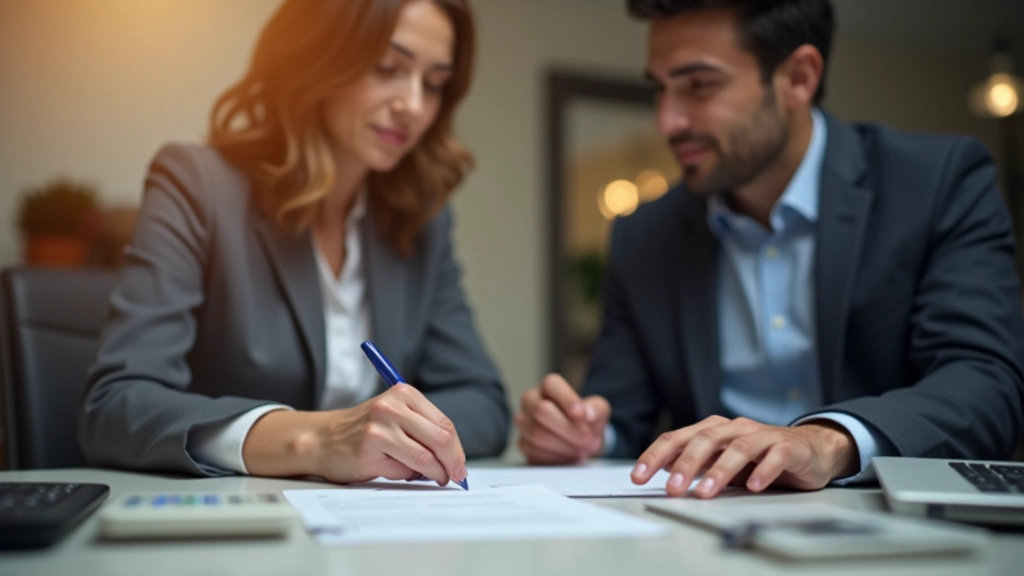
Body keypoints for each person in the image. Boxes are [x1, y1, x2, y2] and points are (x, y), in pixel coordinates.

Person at [516, 0, 1024, 498]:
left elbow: (987, 384)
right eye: (660, 89)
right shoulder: (644, 234)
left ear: (799, 78)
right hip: (712, 530)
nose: (668, 121)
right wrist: (582, 433)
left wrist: (827, 441)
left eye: (699, 85)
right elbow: (621, 412)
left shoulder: (935, 182)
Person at [79, 0, 509, 487]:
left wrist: (393, 435)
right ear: (318, 58)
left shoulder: (421, 221)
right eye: (388, 67)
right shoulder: (197, 185)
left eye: (433, 84)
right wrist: (316, 439)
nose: (412, 104)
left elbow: (483, 403)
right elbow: (114, 405)